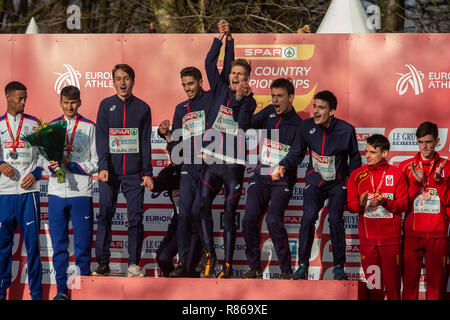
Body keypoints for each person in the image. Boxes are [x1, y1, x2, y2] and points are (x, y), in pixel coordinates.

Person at [159, 56, 233, 277]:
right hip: (188, 168)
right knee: (184, 214)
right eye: (183, 85)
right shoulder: (181, 108)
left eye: (190, 84)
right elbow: (175, 143)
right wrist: (166, 135)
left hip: (209, 165)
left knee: (197, 211)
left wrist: (228, 43)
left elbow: (226, 75)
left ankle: (202, 255)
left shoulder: (211, 98)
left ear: (200, 82)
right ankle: (184, 261)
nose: (187, 89)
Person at [198, 20, 257, 278]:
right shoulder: (220, 87)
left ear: (247, 79)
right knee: (201, 205)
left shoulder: (250, 101)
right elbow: (210, 64)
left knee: (230, 214)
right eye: (233, 73)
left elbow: (242, 124)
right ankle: (210, 253)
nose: (235, 77)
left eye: (241, 75)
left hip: (233, 165)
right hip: (212, 161)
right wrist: (224, 39)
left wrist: (241, 98)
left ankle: (229, 265)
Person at [292, 90, 361, 280]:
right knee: (307, 217)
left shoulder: (347, 130)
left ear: (332, 111)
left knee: (334, 219)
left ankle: (339, 266)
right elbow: (297, 153)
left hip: (337, 183)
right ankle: (303, 265)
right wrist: (283, 165)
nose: (315, 111)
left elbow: (355, 161)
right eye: (314, 106)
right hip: (314, 180)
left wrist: (350, 184)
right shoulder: (306, 127)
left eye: (321, 107)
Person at [239, 78, 304, 280]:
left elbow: (298, 153)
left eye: (280, 96)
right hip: (261, 176)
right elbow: (244, 124)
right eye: (273, 96)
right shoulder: (268, 112)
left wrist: (283, 165)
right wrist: (246, 99)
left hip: (282, 180)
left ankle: (285, 270)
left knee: (273, 219)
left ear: (291, 98)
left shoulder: (299, 125)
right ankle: (254, 267)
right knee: (249, 218)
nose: (275, 100)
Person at [93, 64, 154, 277]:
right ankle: (102, 263)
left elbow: (145, 142)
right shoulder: (105, 105)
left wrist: (147, 172)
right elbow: (101, 138)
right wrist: (102, 166)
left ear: (133, 81)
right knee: (105, 215)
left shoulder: (143, 108)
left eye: (126, 78)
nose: (122, 83)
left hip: (134, 173)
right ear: (113, 82)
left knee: (135, 218)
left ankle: (133, 264)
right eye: (118, 78)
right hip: (109, 171)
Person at [46, 85, 98, 300]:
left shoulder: (89, 127)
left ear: (80, 102)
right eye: (66, 102)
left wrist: (73, 165)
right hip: (56, 192)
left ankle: (80, 291)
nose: (70, 106)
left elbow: (96, 161)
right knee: (59, 246)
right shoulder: (50, 127)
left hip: (81, 193)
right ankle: (61, 291)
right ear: (60, 102)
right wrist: (53, 166)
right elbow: (42, 160)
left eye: (73, 102)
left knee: (82, 245)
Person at [347, 134, 407, 299]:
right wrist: (359, 203)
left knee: (393, 288)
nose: (367, 155)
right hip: (368, 241)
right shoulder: (357, 175)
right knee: (374, 289)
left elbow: (403, 205)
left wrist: (385, 202)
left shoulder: (397, 174)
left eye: (372, 152)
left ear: (385, 153)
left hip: (390, 241)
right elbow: (350, 205)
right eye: (366, 151)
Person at [0, 81, 44, 300]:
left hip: (29, 194)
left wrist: (35, 174)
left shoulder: (34, 124)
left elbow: (45, 158)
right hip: (4, 193)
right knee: (2, 247)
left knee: (33, 247)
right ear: (7, 97)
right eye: (19, 98)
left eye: (25, 97)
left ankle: (36, 294)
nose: (24, 102)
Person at [399, 121, 450, 300]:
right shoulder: (406, 167)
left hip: (437, 234)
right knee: (409, 285)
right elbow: (401, 203)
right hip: (413, 235)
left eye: (428, 141)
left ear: (437, 141)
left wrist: (439, 182)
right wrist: (416, 182)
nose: (424, 146)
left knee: (436, 287)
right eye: (420, 142)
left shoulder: (447, 166)